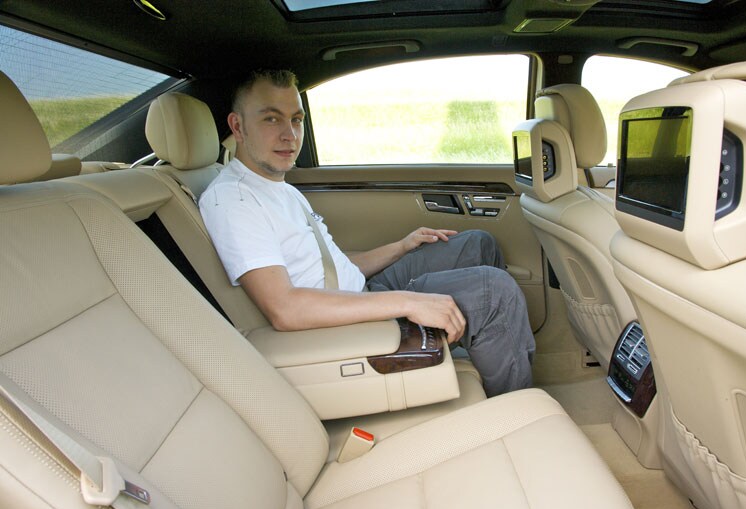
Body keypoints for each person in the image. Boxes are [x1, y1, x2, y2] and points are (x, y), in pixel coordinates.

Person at [199, 69, 535, 396]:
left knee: (478, 243)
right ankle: (513, 408)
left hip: (357, 293)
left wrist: (403, 245)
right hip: (343, 326)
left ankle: (481, 353)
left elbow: (331, 267)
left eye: (296, 119)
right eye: (272, 119)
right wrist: (408, 302)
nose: (290, 134)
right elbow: (285, 309)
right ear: (238, 126)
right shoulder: (233, 200)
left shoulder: (278, 187)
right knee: (496, 293)